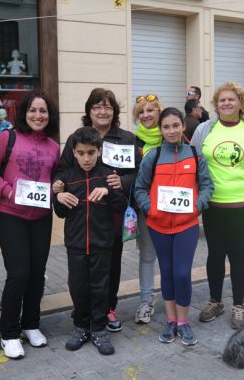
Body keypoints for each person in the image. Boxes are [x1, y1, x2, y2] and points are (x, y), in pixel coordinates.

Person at [54, 88, 141, 333]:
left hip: (113, 212)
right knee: (80, 268)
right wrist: (58, 188)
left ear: (114, 111)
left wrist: (121, 183)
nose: (102, 112)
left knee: (110, 263)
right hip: (83, 216)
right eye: (96, 107)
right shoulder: (76, 138)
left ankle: (108, 308)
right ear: (88, 111)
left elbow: (138, 174)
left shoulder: (125, 138)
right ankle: (82, 309)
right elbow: (62, 170)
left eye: (108, 107)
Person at [0, 91, 60, 359]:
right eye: (32, 110)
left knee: (37, 273)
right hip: (11, 214)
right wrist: (6, 191)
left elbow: (55, 181)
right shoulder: (7, 138)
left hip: (40, 217)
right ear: (24, 113)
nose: (38, 115)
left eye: (43, 111)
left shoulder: (54, 146)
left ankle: (31, 324)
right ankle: (9, 332)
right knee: (18, 273)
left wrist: (57, 188)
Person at [190, 82, 244, 329]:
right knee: (214, 254)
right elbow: (191, 162)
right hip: (212, 205)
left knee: (238, 255)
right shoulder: (205, 130)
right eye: (222, 100)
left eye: (231, 99)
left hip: (242, 205)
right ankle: (215, 301)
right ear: (216, 104)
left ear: (240, 103)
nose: (226, 103)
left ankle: (238, 304)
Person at [135, 107, 213, 346]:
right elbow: (139, 188)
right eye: (166, 127)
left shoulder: (195, 154)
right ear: (160, 129)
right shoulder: (153, 156)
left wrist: (196, 207)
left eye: (175, 126)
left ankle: (183, 322)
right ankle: (170, 320)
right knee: (167, 274)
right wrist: (151, 210)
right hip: (158, 226)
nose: (171, 131)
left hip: (186, 226)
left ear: (183, 127)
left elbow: (208, 186)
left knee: (182, 274)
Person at [54, 126, 127, 356]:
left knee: (100, 288)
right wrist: (58, 197)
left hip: (102, 244)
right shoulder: (66, 178)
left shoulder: (108, 175)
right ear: (74, 152)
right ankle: (80, 327)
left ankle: (98, 329)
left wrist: (109, 192)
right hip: (75, 245)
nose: (86, 158)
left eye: (91, 152)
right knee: (78, 287)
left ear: (99, 150)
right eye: (81, 153)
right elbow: (60, 213)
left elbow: (121, 205)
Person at [132, 93, 164, 324]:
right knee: (147, 255)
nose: (146, 115)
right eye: (141, 112)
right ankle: (146, 300)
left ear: (159, 113)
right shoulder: (132, 142)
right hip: (144, 208)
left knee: (170, 256)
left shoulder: (172, 137)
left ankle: (173, 299)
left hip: (171, 208)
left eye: (150, 110)